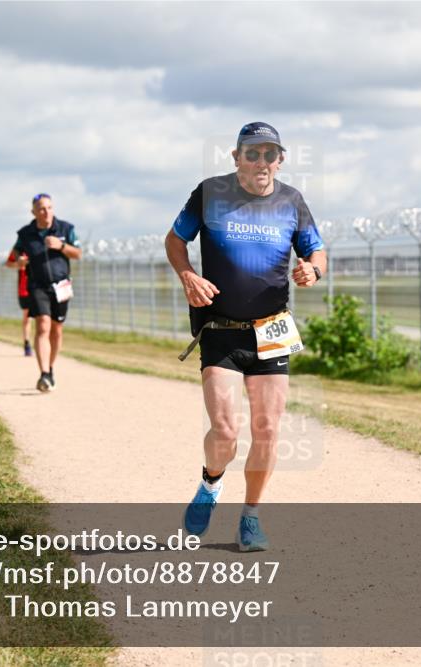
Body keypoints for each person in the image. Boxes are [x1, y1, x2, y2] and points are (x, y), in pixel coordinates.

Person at [165, 122, 326, 552]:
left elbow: (317, 249)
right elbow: (175, 239)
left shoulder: (292, 201)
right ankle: (210, 484)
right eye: (251, 153)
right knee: (224, 431)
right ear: (235, 157)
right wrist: (187, 275)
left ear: (280, 159)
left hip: (272, 328)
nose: (260, 161)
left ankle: (250, 518)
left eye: (269, 154)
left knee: (268, 429)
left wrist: (313, 268)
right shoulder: (210, 193)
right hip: (220, 328)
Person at [8, 194, 81, 392]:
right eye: (41, 208)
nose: (46, 211)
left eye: (49, 207)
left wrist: (62, 246)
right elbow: (14, 256)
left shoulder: (66, 229)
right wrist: (19, 262)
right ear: (33, 212)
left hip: (61, 286)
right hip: (37, 286)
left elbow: (79, 253)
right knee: (43, 326)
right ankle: (44, 374)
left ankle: (50, 367)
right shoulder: (25, 234)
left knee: (57, 330)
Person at [6, 247, 34, 356]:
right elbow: (8, 263)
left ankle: (43, 342)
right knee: (27, 317)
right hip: (24, 289)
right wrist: (19, 264)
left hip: (41, 287)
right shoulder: (18, 249)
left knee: (44, 318)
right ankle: (27, 343)